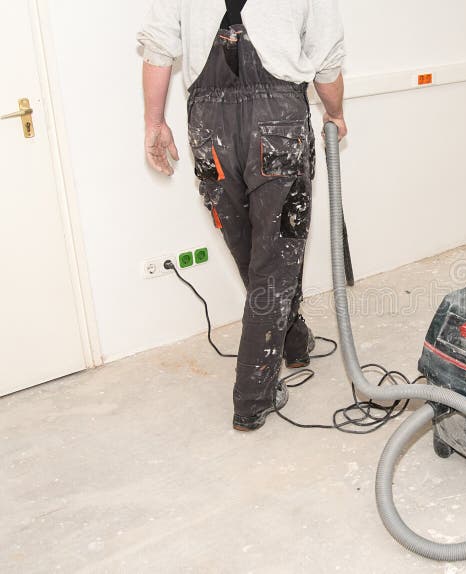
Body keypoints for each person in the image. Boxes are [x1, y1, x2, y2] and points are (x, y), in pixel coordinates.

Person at [138, 0, 347, 432]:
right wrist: (336, 111)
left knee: (253, 252)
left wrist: (154, 122)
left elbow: (159, 48)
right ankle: (254, 396)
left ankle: (293, 337)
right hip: (278, 122)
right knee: (274, 259)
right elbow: (326, 57)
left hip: (209, 127)